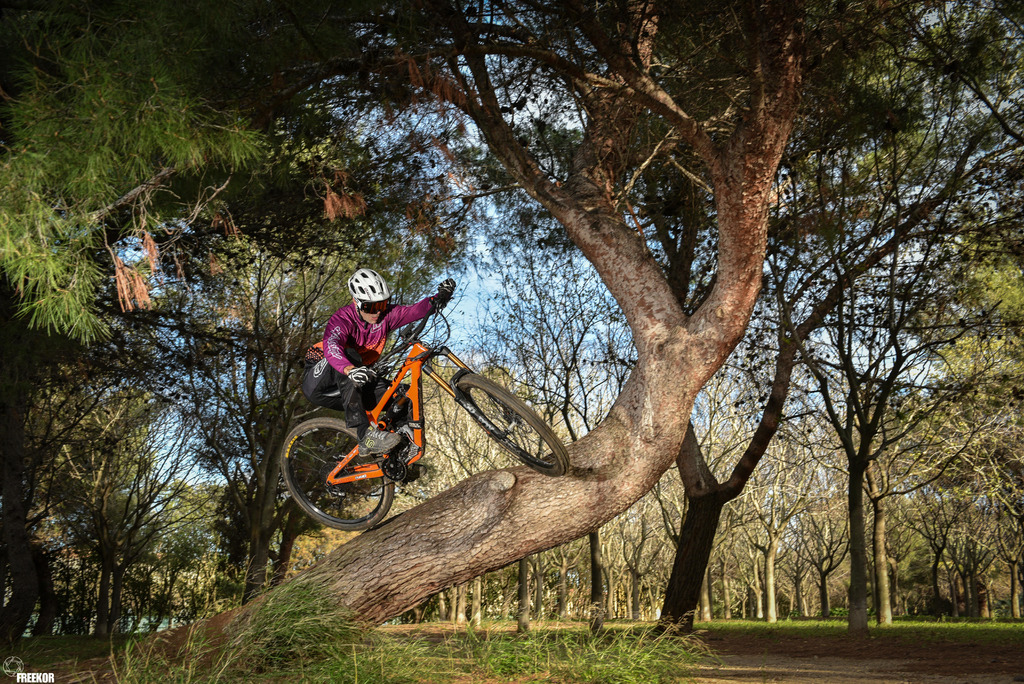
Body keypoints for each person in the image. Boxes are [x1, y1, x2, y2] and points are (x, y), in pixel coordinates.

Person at [302, 268, 455, 454]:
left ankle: (401, 452)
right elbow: (332, 346)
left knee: (404, 395)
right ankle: (365, 435)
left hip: (355, 381)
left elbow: (415, 311)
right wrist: (350, 369)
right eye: (370, 307)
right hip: (321, 379)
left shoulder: (385, 316)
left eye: (381, 304)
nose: (377, 313)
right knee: (351, 354)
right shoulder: (342, 319)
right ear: (356, 303)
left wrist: (439, 298)